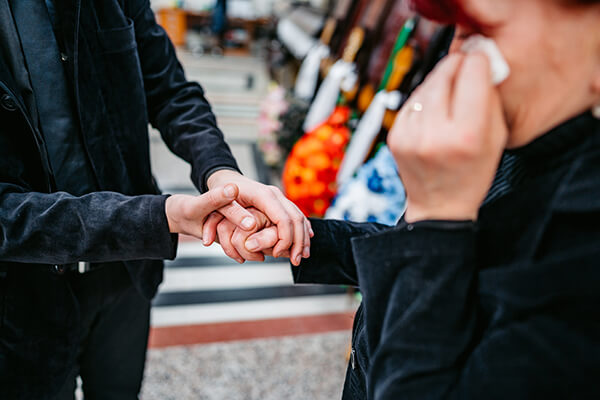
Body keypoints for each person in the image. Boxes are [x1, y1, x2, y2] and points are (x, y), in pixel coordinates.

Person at [213, 0, 600, 398]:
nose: (456, 65)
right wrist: (309, 236)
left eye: (483, 34)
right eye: (459, 36)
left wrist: (437, 219)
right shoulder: (518, 145)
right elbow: (444, 255)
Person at [0, 1, 311, 399]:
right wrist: (161, 217)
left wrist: (222, 175)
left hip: (125, 275)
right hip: (23, 298)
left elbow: (171, 91)